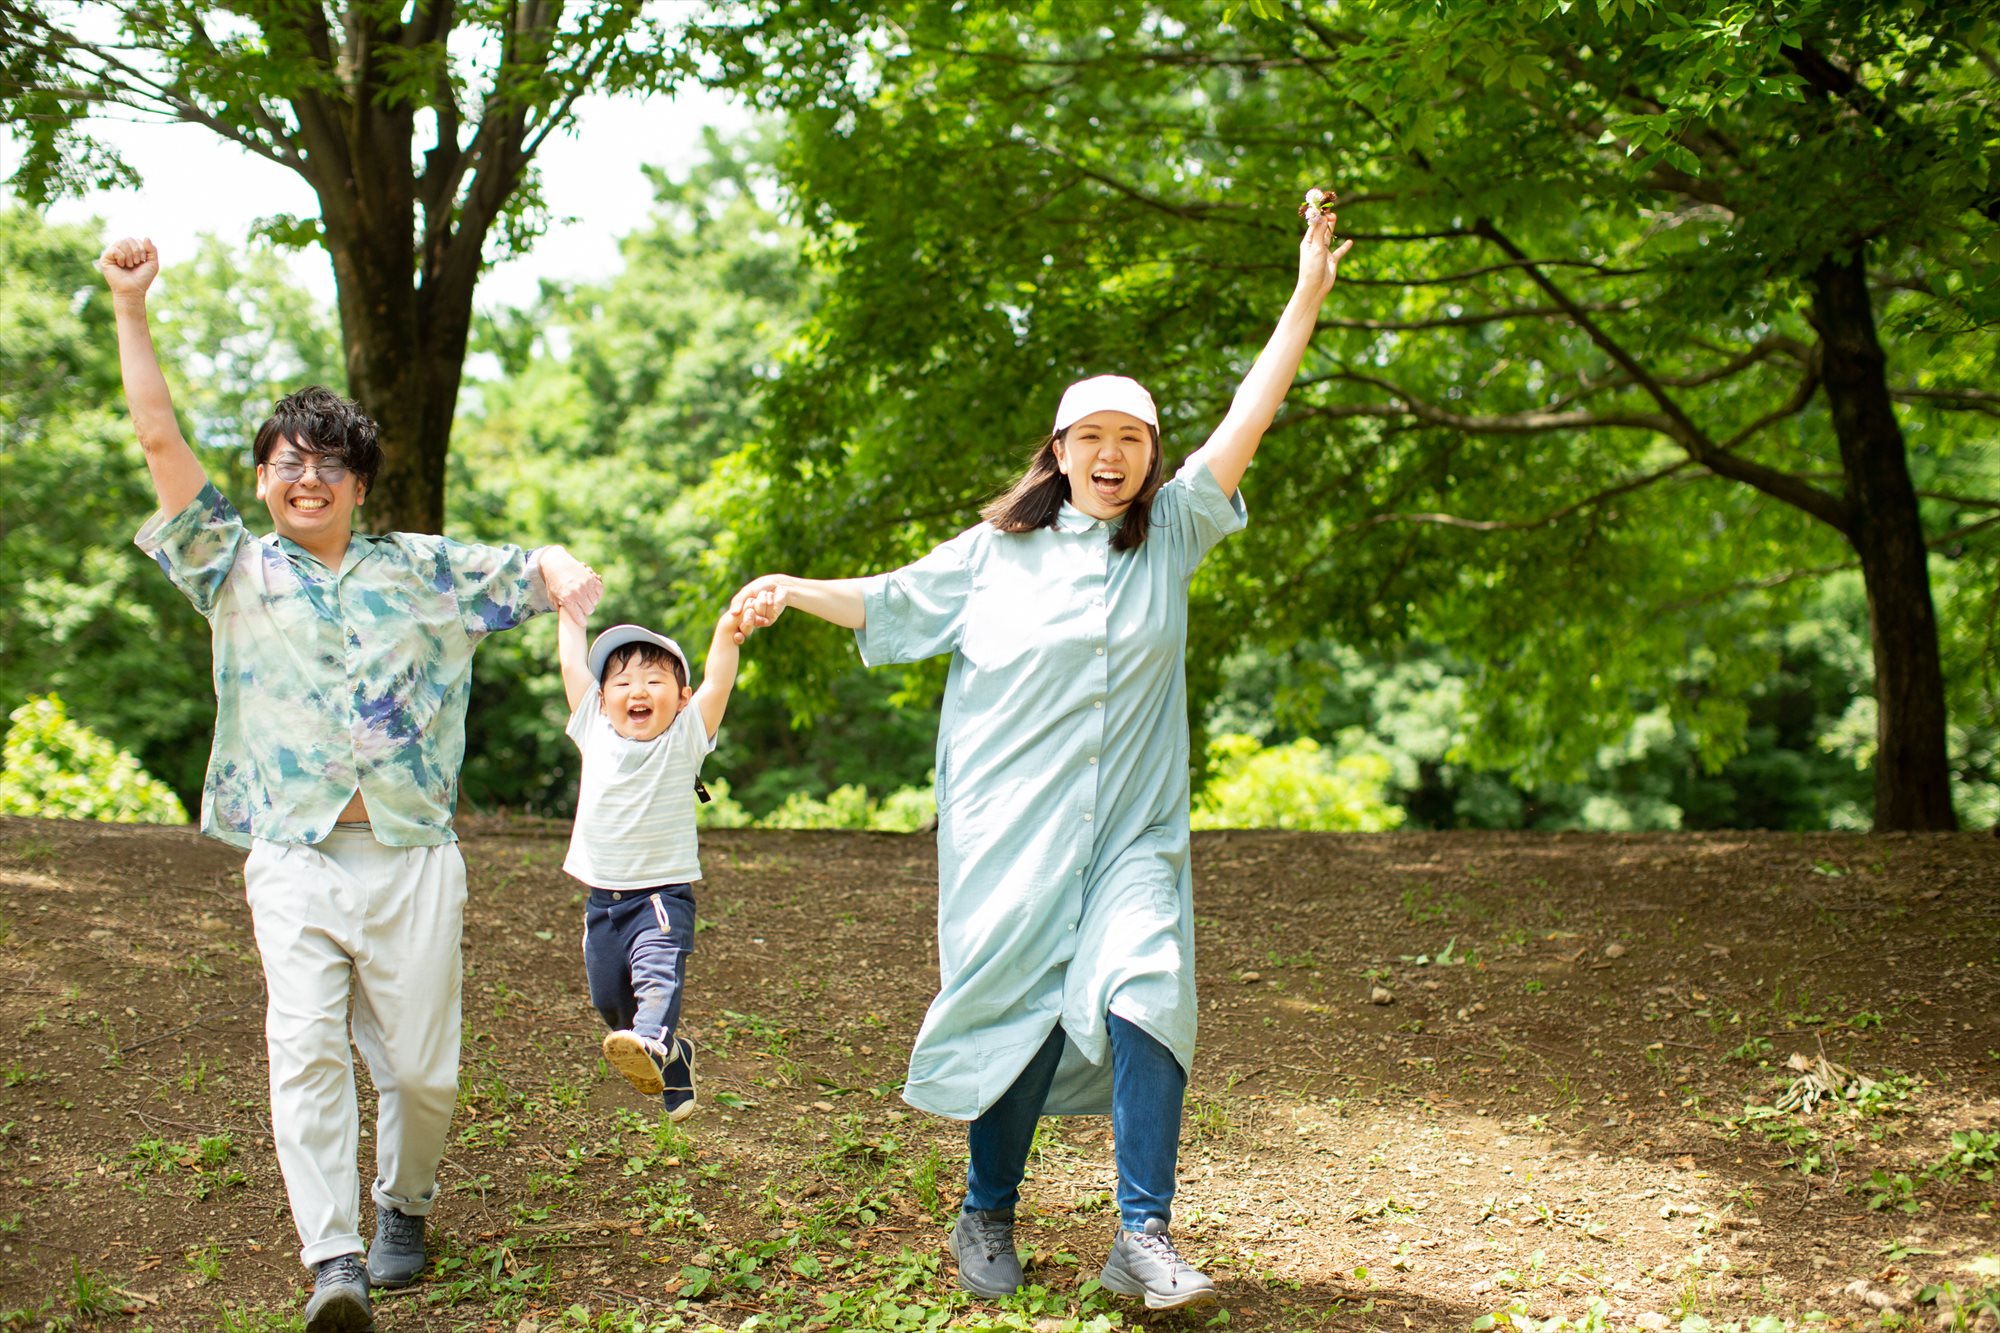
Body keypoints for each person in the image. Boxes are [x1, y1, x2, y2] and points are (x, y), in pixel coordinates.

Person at [729, 208, 1353, 1310]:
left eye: (1132, 439)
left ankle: (1142, 1237)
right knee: (1012, 1010)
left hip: (1129, 837)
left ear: (1152, 458)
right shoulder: (992, 557)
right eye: (1091, 438)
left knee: (1148, 985)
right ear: (1056, 453)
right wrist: (788, 589)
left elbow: (1251, 416)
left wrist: (1304, 293)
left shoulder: (1172, 532)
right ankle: (987, 1207)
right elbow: (886, 603)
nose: (1112, 456)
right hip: (1008, 833)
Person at [100, 237, 603, 1333]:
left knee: (422, 1072)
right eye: (285, 462)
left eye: (326, 464)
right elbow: (155, 435)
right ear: (266, 479)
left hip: (413, 850)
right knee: (305, 1046)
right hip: (291, 852)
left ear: (359, 483)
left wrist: (562, 566)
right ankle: (332, 1257)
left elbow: (533, 567)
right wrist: (130, 307)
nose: (305, 477)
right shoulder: (232, 569)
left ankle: (404, 1204)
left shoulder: (419, 569)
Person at [555, 604, 745, 1120]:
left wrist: (726, 629)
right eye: (621, 683)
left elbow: (719, 681)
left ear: (682, 699)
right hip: (603, 901)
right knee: (610, 1001)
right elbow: (572, 664)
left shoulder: (685, 737)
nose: (637, 691)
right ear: (601, 699)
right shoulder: (592, 730)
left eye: (655, 680)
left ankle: (653, 1043)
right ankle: (671, 1053)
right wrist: (568, 612)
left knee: (657, 979)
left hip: (661, 896)